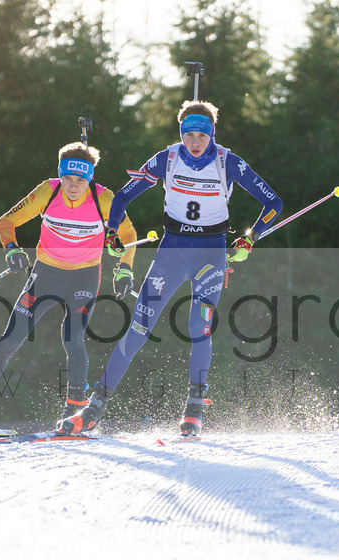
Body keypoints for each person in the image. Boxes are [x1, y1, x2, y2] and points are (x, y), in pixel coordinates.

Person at [59, 100, 283, 436]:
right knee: (137, 328)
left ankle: (194, 409)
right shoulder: (167, 158)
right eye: (188, 134)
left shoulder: (228, 163)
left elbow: (273, 202)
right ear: (180, 133)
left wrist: (251, 237)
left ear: (212, 134)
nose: (194, 141)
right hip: (172, 251)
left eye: (201, 135)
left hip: (211, 253)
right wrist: (111, 229)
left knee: (199, 326)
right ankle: (94, 408)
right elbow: (121, 197)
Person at [0, 142, 137, 426]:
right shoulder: (48, 190)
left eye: (81, 180)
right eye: (68, 178)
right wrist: (12, 248)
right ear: (60, 175)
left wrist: (124, 270)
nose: (73, 186)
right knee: (10, 338)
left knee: (72, 338)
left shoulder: (105, 199)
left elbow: (129, 233)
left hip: (83, 276)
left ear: (90, 178)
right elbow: (6, 221)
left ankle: (74, 413)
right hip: (46, 273)